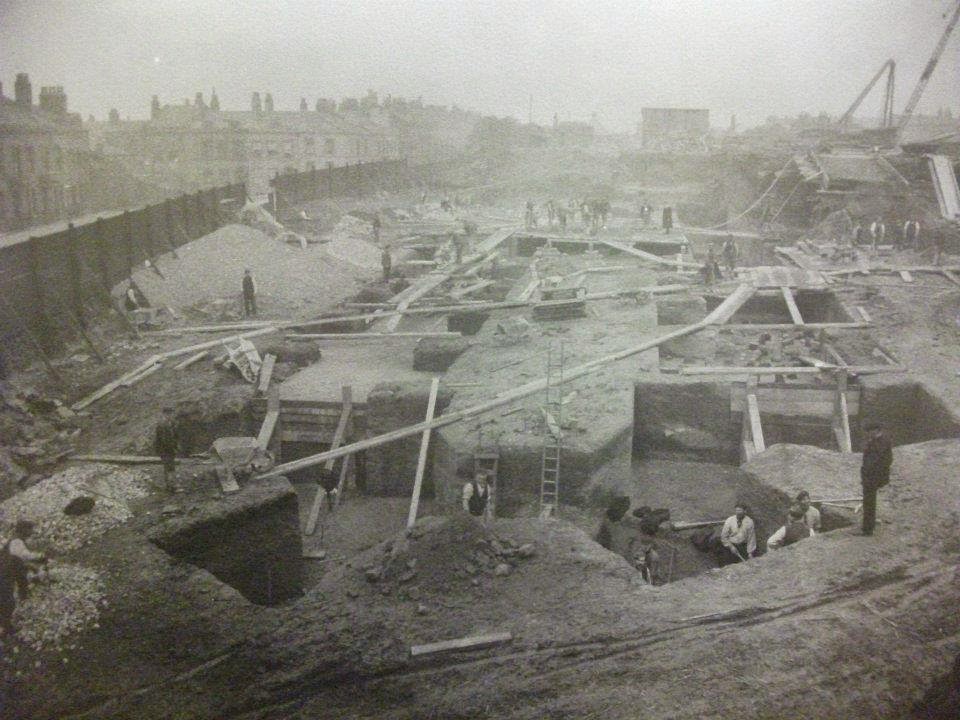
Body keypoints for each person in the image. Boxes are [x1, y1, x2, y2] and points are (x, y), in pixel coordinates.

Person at [860, 424, 892, 536]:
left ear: (876, 430)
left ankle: (867, 529)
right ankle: (868, 526)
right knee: (868, 502)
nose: (868, 433)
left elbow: (875, 460)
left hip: (873, 476)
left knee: (869, 502)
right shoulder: (876, 441)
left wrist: (869, 475)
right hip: (870, 476)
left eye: (869, 431)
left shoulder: (880, 442)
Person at [154, 405, 180, 493]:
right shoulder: (163, 424)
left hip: (168, 449)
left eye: (172, 414)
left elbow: (174, 436)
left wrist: (175, 446)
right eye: (169, 414)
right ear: (165, 414)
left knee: (169, 467)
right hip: (165, 450)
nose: (171, 415)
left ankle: (169, 486)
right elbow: (164, 440)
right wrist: (172, 448)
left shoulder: (170, 423)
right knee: (170, 468)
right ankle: (172, 487)